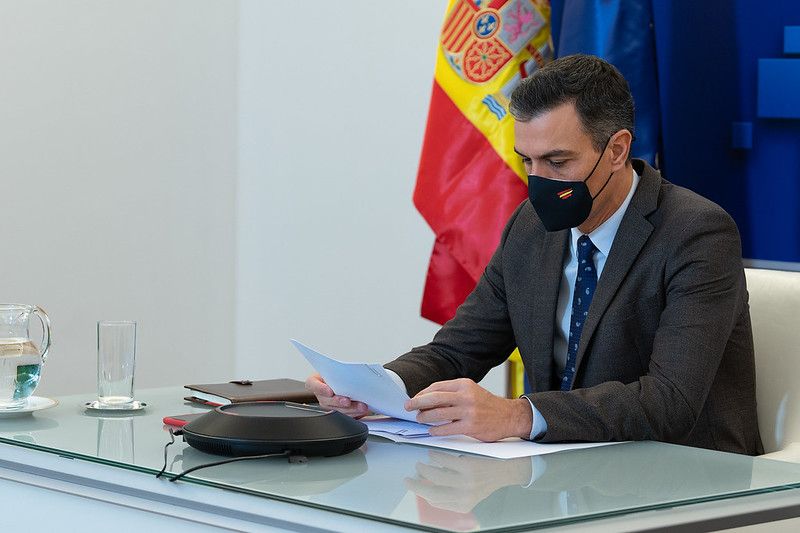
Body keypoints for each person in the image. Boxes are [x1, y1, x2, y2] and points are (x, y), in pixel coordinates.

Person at [306, 54, 763, 455]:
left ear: (617, 150)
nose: (539, 181)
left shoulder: (697, 233)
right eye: (528, 161)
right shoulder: (531, 226)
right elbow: (458, 349)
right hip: (563, 472)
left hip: (684, 476)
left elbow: (671, 401)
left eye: (558, 162)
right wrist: (377, 390)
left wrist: (517, 416)